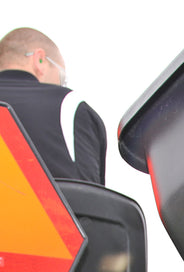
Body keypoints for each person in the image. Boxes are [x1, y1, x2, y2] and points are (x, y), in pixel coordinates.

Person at [0, 27, 106, 184]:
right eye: (62, 77)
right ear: (40, 60)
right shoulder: (68, 106)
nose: (61, 84)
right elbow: (91, 199)